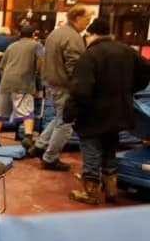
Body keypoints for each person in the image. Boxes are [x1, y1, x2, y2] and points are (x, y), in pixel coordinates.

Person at [62, 16, 150, 204]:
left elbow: (81, 90)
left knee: (91, 149)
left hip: (94, 113)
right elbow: (146, 71)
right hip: (119, 111)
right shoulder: (127, 51)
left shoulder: (90, 55)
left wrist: (70, 112)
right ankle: (111, 189)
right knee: (110, 147)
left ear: (91, 34)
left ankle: (90, 191)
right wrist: (129, 89)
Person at [30, 5, 91, 170]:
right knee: (66, 122)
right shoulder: (73, 37)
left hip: (51, 82)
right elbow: (74, 65)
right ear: (77, 18)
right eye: (87, 19)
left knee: (59, 117)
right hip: (64, 85)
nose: (88, 23)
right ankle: (50, 158)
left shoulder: (55, 33)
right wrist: (80, 86)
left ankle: (40, 146)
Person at [0, 24, 41, 150]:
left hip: (5, 82)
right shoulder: (36, 45)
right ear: (33, 35)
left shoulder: (11, 46)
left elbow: (1, 66)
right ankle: (28, 138)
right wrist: (37, 73)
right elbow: (41, 60)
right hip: (23, 82)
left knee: (0, 111)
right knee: (27, 110)